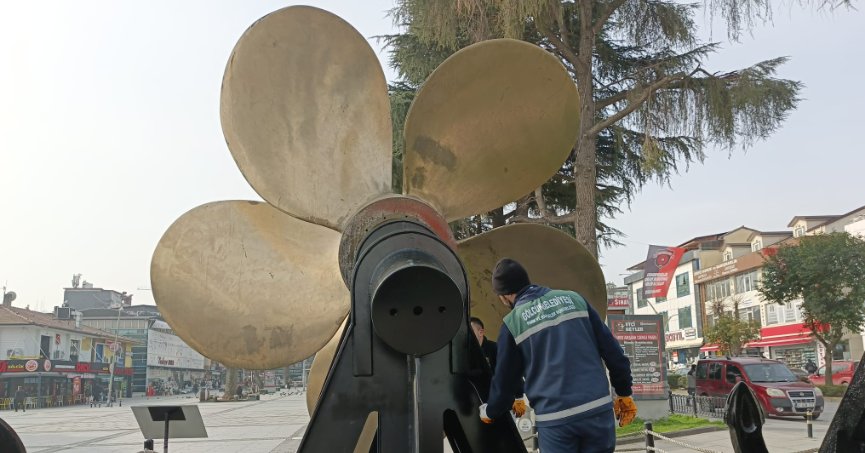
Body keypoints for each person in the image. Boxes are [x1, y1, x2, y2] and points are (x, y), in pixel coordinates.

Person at [479, 258, 637, 453]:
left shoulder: (513, 324)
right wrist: (623, 392)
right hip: (597, 413)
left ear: (504, 296)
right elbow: (613, 352)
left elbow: (505, 382)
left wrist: (490, 411)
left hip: (556, 421)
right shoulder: (575, 300)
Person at [470, 316, 527, 416]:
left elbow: (512, 372)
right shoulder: (466, 354)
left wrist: (519, 397)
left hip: (503, 405)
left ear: (480, 332)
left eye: (471, 332)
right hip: (479, 407)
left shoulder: (496, 349)